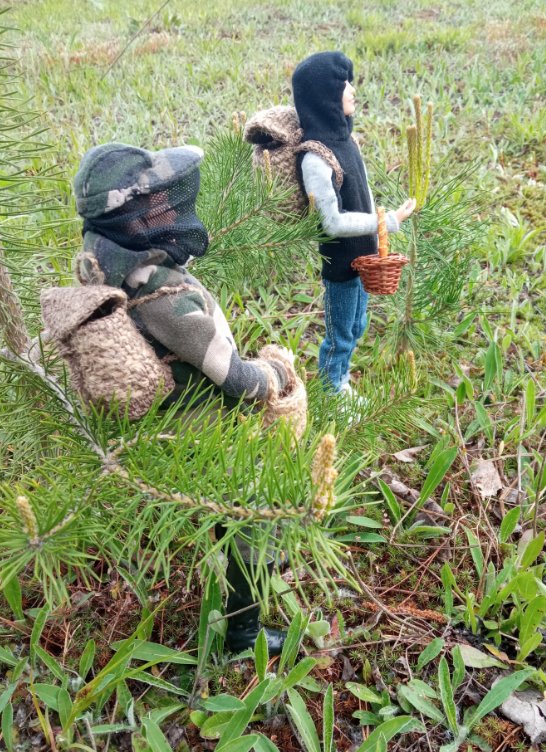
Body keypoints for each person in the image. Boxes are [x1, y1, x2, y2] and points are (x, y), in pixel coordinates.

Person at [72, 142, 298, 655]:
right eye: (154, 204)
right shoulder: (165, 296)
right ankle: (244, 632)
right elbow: (236, 381)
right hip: (196, 424)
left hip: (161, 418)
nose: (170, 210)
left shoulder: (96, 261)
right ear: (131, 219)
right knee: (251, 514)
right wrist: (278, 372)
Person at [292, 51, 416, 395]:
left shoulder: (348, 143)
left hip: (366, 258)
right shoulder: (316, 157)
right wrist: (386, 222)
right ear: (324, 97)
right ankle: (332, 391)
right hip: (342, 263)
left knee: (357, 325)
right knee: (341, 334)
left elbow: (365, 193)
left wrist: (380, 228)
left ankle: (341, 383)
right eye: (342, 84)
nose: (351, 90)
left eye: (350, 82)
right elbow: (330, 223)